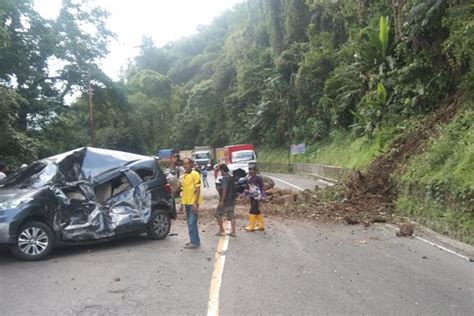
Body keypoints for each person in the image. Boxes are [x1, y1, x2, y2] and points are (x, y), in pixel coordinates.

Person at [180, 158, 203, 249]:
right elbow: (184, 191)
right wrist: (181, 204)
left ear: (191, 164)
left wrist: (195, 203)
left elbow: (198, 190)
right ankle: (194, 240)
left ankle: (195, 242)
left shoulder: (195, 174)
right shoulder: (184, 175)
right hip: (186, 202)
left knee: (192, 222)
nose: (185, 165)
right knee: (190, 223)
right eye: (184, 164)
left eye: (187, 164)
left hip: (193, 202)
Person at [214, 164, 237, 237]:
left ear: (222, 170)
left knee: (217, 214)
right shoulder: (230, 177)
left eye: (220, 170)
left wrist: (222, 201)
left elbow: (224, 190)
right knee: (231, 215)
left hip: (225, 200)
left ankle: (221, 230)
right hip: (232, 200)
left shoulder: (224, 179)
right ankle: (233, 232)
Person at [244, 163, 266, 231]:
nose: (250, 171)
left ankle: (251, 226)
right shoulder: (248, 178)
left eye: (252, 169)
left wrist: (263, 196)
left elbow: (262, 187)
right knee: (257, 211)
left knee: (252, 211)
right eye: (249, 169)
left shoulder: (258, 178)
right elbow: (247, 188)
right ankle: (261, 225)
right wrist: (244, 194)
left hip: (257, 197)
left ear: (255, 170)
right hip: (252, 196)